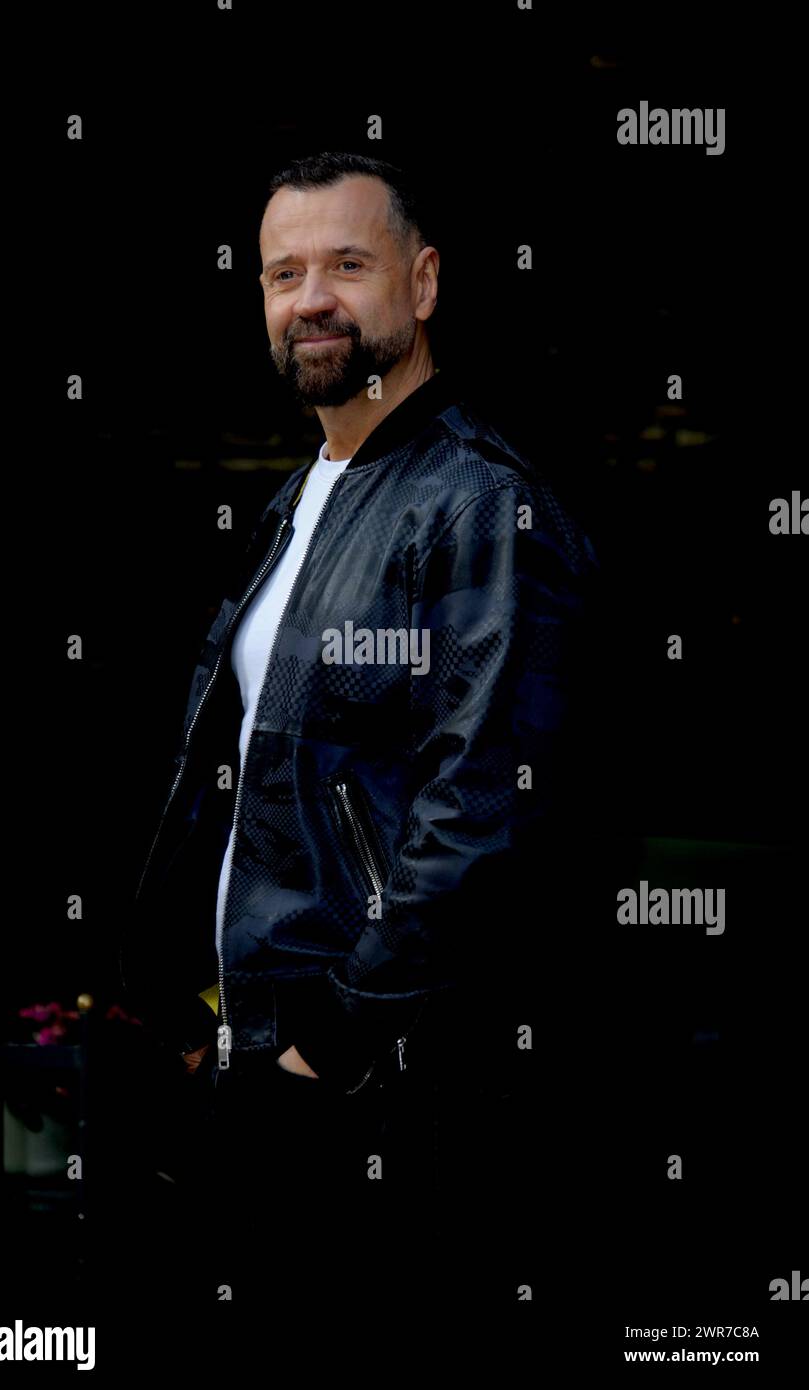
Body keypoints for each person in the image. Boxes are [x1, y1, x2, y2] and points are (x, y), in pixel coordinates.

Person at [119, 150, 599, 1314]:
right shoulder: (303, 496)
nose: (312, 298)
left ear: (422, 285)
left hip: (387, 1092)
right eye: (284, 274)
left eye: (347, 263)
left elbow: (486, 810)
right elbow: (237, 772)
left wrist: (321, 1049)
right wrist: (189, 1009)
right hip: (265, 1068)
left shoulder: (481, 501)